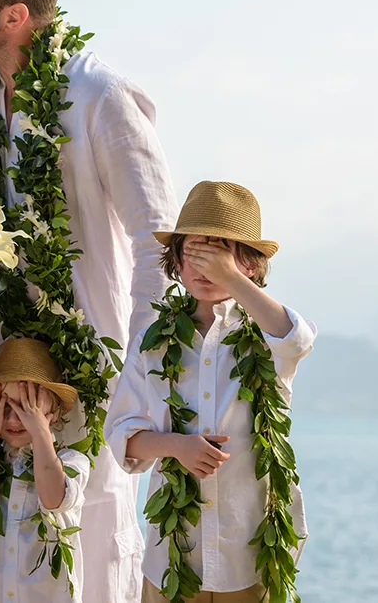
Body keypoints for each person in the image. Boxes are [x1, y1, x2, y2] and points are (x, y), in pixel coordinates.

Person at [0, 0, 180, 603]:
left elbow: (156, 243)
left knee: (95, 553)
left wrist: (136, 374)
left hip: (93, 375)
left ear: (13, 18)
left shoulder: (98, 95)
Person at [106, 182, 316, 602]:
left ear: (250, 265)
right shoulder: (155, 340)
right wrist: (176, 446)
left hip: (250, 549)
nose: (204, 267)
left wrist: (229, 278)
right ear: (177, 261)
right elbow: (122, 432)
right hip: (174, 555)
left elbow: (297, 339)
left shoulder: (263, 336)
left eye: (219, 253)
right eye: (193, 252)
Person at [0, 337, 90, 603]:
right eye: (4, 407)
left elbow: (52, 497)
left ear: (52, 412)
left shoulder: (72, 462)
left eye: (27, 407)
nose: (13, 419)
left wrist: (40, 432)